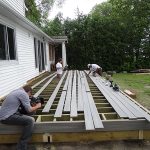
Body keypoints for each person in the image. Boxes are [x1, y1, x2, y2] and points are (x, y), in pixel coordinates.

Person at [0, 85, 41, 150]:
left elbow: (23, 109)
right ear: (29, 92)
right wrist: (38, 106)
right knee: (30, 120)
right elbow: (29, 110)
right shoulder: (23, 94)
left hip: (4, 114)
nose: (29, 97)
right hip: (7, 117)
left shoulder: (16, 91)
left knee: (27, 116)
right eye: (29, 95)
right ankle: (22, 147)